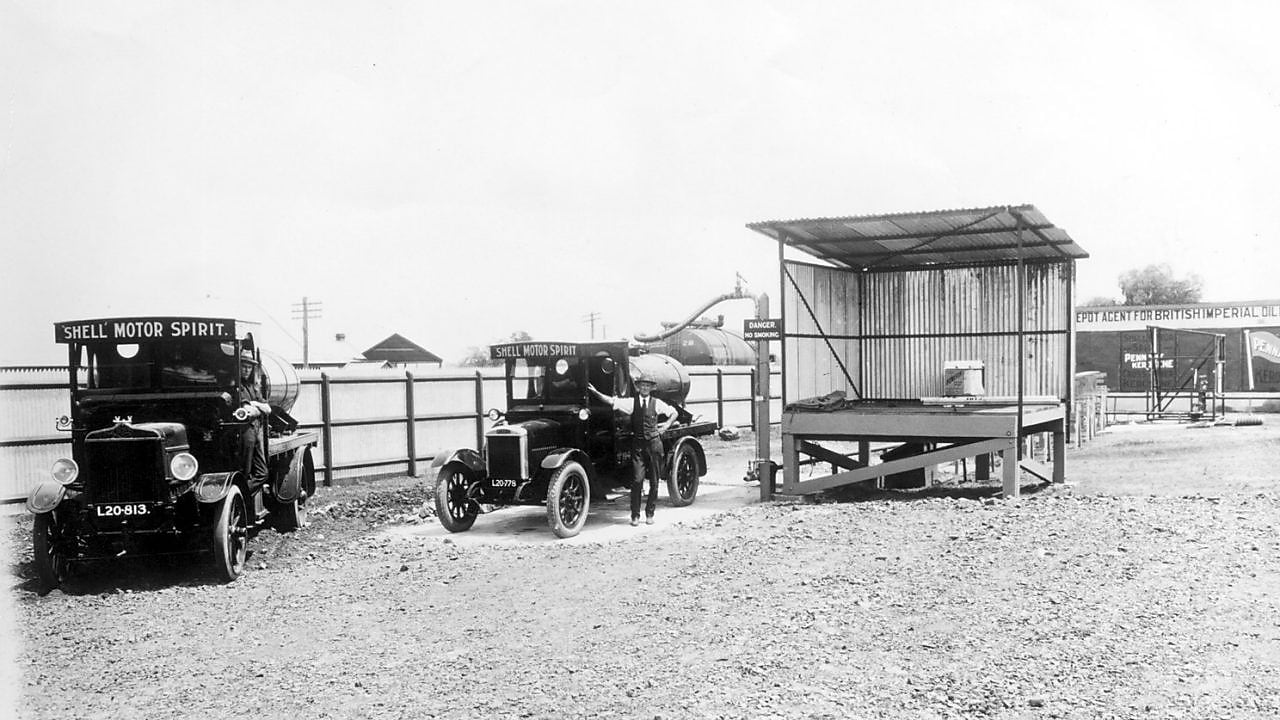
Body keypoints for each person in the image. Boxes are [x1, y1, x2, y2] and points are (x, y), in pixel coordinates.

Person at [588, 374, 678, 526]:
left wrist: (667, 425)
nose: (644, 388)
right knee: (637, 480)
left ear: (651, 388)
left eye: (647, 385)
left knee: (655, 482)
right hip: (638, 446)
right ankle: (635, 515)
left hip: (654, 445)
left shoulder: (657, 403)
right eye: (642, 385)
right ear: (638, 387)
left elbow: (673, 412)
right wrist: (596, 392)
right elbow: (612, 401)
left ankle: (650, 513)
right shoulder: (632, 403)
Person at [238, 349, 271, 486]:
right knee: (245, 472)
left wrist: (254, 404)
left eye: (249, 367)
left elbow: (268, 409)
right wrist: (258, 407)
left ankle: (245, 495)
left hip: (256, 432)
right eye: (244, 366)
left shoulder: (252, 387)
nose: (246, 370)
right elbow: (248, 411)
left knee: (262, 474)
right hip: (246, 433)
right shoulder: (237, 386)